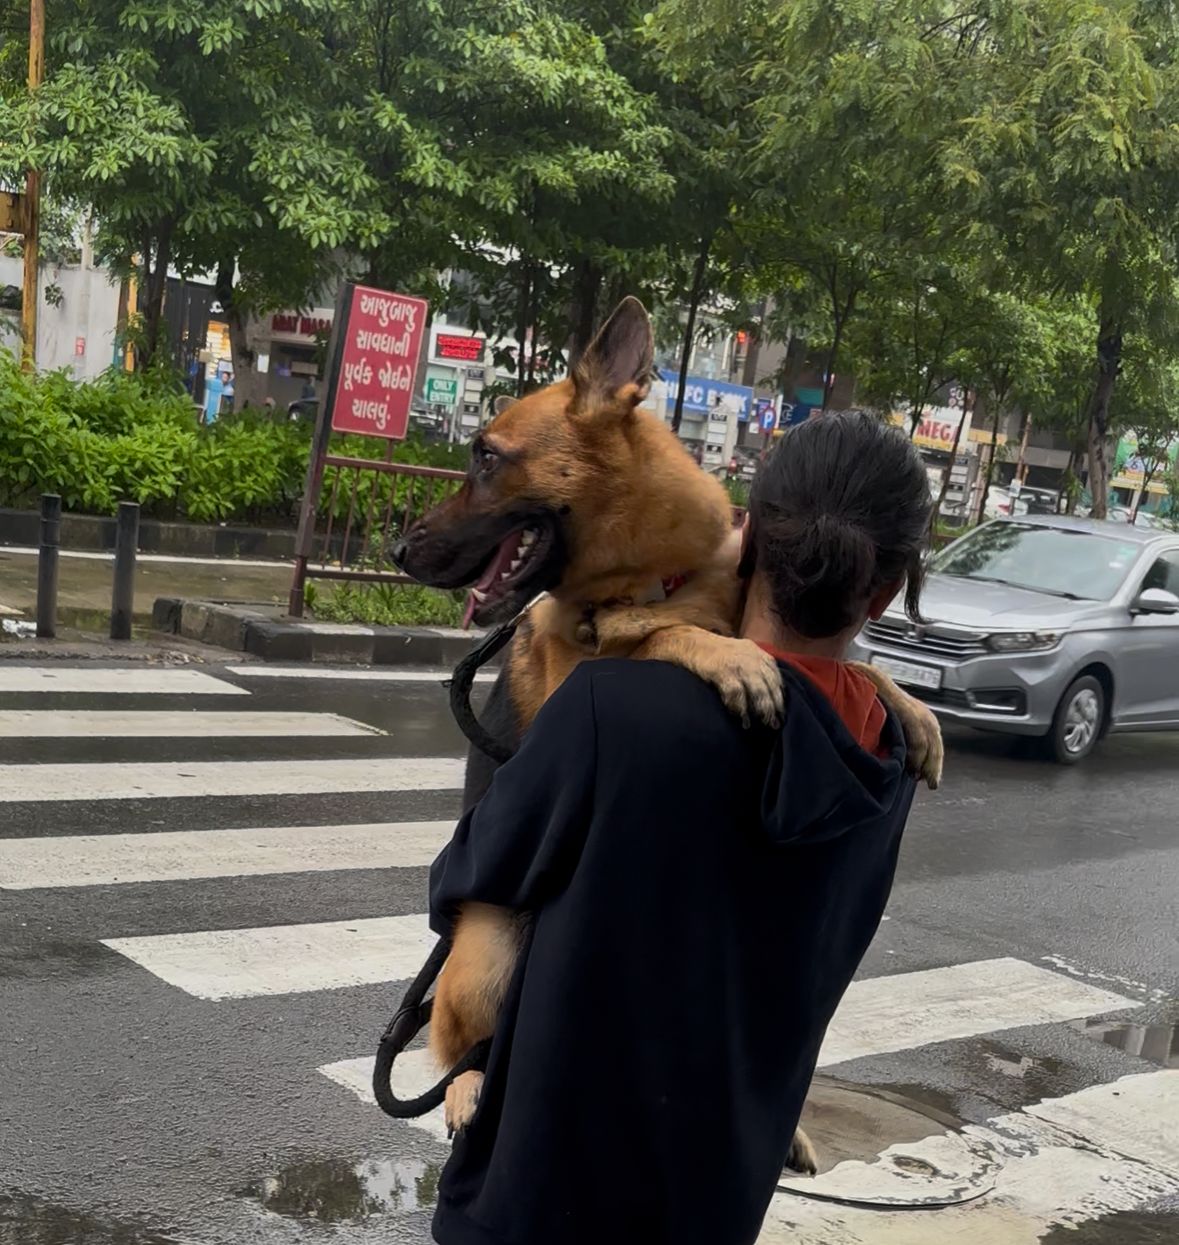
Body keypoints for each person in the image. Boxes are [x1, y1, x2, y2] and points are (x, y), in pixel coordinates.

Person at [428, 411, 934, 1245]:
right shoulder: (889, 756)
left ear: (746, 536)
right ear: (882, 590)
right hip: (711, 1201)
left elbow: (472, 870)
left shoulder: (605, 708)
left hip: (538, 1198)